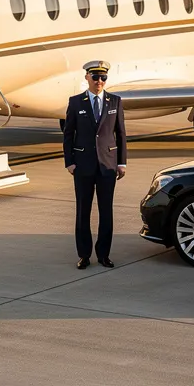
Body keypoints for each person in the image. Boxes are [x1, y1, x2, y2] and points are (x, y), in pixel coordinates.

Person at [62, 60, 127, 269]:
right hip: (83, 166)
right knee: (83, 211)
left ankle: (103, 254)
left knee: (106, 212)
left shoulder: (115, 102)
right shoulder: (76, 102)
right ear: (87, 78)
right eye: (95, 77)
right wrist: (69, 162)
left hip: (107, 166)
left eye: (103, 77)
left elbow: (121, 134)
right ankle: (84, 255)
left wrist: (122, 162)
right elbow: (68, 134)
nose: (99, 81)